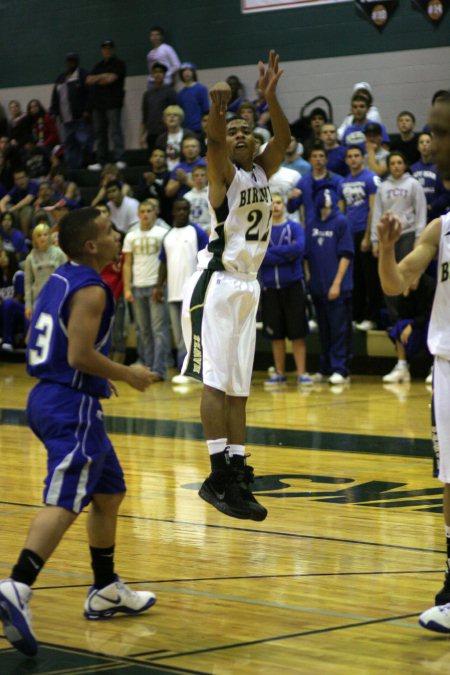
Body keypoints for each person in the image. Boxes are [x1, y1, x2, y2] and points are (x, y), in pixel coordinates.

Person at [0, 207, 156, 657]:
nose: (115, 236)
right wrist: (127, 373)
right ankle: (18, 584)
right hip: (71, 404)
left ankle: (105, 588)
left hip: (52, 396)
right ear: (91, 246)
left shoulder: (62, 275)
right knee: (66, 498)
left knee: (109, 493)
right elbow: (78, 355)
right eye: (108, 232)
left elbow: (54, 339)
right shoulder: (93, 291)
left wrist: (95, 376)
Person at [180, 50, 290, 520]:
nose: (241, 135)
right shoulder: (222, 172)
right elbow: (212, 143)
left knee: (240, 388)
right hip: (216, 284)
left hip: (249, 286)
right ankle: (217, 474)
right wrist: (218, 116)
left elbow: (283, 137)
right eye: (235, 132)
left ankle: (238, 470)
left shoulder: (263, 172)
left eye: (249, 130)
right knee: (215, 381)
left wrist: (270, 96)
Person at [260, 193, 312, 386]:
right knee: (276, 335)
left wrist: (272, 253)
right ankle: (279, 373)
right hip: (270, 288)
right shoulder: (261, 230)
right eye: (272, 203)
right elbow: (259, 256)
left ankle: (302, 373)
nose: (276, 206)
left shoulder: (294, 227)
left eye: (279, 202)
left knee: (298, 333)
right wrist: (285, 253)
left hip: (293, 286)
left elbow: (298, 249)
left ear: (284, 205)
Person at [305, 187, 354, 385]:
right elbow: (306, 256)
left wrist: (336, 284)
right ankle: (325, 367)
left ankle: (340, 369)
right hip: (317, 286)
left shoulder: (341, 222)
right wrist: (310, 280)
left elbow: (346, 255)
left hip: (338, 288)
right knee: (323, 330)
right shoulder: (311, 223)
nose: (325, 202)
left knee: (338, 329)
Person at [154, 198, 208, 379]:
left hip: (194, 292)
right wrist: (158, 286)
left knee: (194, 333)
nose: (182, 212)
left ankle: (194, 371)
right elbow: (163, 263)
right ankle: (183, 369)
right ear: (173, 212)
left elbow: (206, 259)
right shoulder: (167, 235)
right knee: (179, 335)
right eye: (178, 209)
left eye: (185, 209)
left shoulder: (197, 232)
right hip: (173, 292)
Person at [122, 200, 171, 381]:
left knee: (159, 328)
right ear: (138, 214)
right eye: (142, 211)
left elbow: (167, 262)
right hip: (137, 286)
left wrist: (163, 284)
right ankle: (146, 364)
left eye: (149, 211)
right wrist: (127, 287)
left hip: (156, 286)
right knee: (143, 330)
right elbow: (127, 264)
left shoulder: (163, 233)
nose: (145, 214)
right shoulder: (130, 236)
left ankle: (159, 369)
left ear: (155, 213)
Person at [341, 145, 382, 331]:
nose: (353, 159)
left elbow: (374, 209)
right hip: (349, 235)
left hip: (364, 233)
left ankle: (372, 317)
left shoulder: (371, 178)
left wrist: (368, 237)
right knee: (354, 278)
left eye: (356, 155)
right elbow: (342, 211)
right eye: (350, 156)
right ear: (346, 160)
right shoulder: (344, 181)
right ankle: (356, 316)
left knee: (370, 278)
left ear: (362, 158)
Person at [381, 273, 435, 384]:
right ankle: (402, 366)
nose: (412, 281)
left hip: (428, 323)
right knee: (399, 325)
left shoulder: (430, 285)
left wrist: (412, 325)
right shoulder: (405, 288)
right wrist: (405, 296)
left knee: (432, 326)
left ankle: (434, 367)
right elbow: (402, 314)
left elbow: (430, 313)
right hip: (416, 324)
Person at [86, 40, 126, 170]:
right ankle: (101, 161)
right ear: (102, 50)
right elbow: (88, 80)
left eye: (109, 48)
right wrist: (102, 77)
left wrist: (99, 78)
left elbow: (110, 79)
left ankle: (119, 158)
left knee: (115, 131)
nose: (107, 50)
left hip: (113, 103)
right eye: (105, 48)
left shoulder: (119, 64)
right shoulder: (98, 65)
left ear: (113, 50)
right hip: (98, 105)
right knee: (99, 133)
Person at [50, 52, 91, 169]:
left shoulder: (83, 75)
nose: (71, 63)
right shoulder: (60, 78)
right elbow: (55, 97)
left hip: (81, 119)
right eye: (69, 60)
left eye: (73, 60)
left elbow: (90, 95)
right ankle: (73, 168)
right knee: (69, 144)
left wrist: (87, 110)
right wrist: (54, 111)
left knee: (84, 142)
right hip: (66, 120)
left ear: (77, 62)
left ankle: (87, 165)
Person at [24, 223, 67, 320]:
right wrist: (28, 305)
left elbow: (66, 278)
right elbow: (27, 284)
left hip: (57, 297)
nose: (42, 238)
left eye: (45, 234)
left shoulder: (59, 254)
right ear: (35, 239)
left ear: (50, 236)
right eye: (39, 235)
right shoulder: (30, 258)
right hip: (38, 299)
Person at [141, 62, 177, 152]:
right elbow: (145, 117)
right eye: (155, 72)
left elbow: (176, 113)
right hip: (151, 133)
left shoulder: (170, 92)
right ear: (152, 75)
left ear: (164, 75)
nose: (158, 74)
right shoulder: (147, 94)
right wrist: (141, 135)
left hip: (166, 133)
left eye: (160, 72)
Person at [177, 63, 210, 134]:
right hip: (185, 129)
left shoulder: (201, 89)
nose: (186, 73)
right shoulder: (180, 93)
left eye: (189, 70)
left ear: (193, 73)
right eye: (184, 71)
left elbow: (206, 109)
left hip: (199, 129)